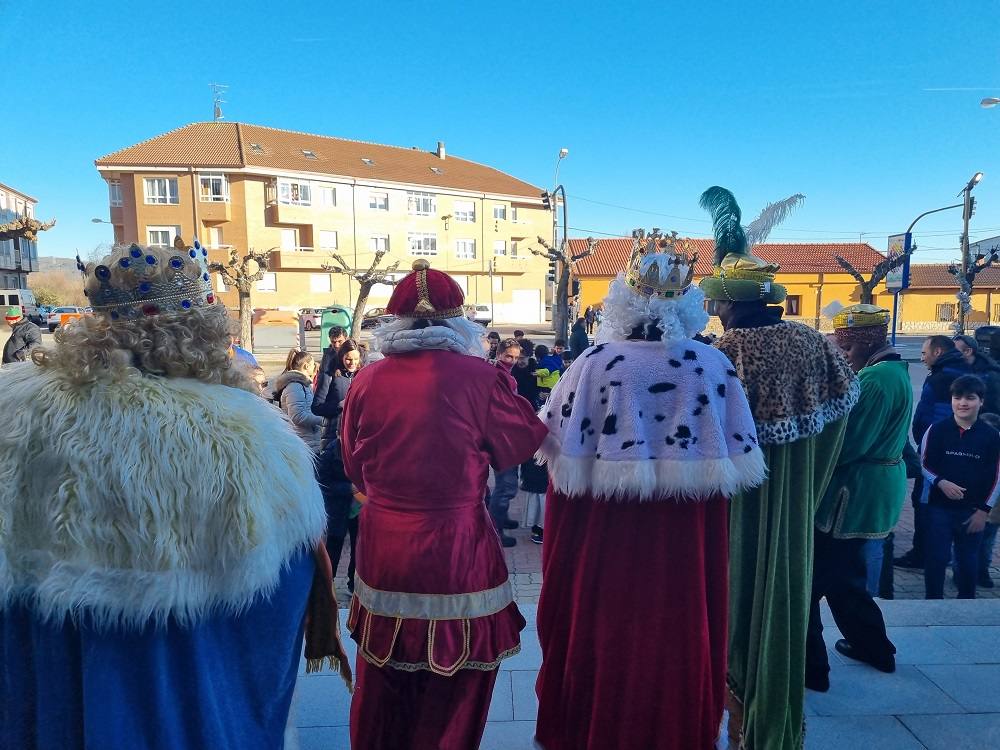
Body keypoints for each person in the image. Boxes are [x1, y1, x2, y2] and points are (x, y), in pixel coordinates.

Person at [0, 241, 348, 750]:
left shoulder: (14, 408)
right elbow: (285, 580)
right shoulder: (241, 434)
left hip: (51, 660)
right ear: (206, 334)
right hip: (180, 674)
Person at [535, 229, 766, 750]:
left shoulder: (592, 364)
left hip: (605, 534)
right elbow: (737, 452)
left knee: (603, 623)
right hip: (685, 534)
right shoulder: (711, 365)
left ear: (620, 302)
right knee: (680, 623)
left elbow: (557, 457)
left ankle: (592, 724)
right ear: (687, 307)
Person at [340, 259, 547, 750]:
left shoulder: (367, 381)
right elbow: (520, 443)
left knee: (384, 674)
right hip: (457, 545)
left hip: (384, 544)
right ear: (460, 325)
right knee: (459, 676)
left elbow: (352, 466)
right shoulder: (481, 377)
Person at [698, 187, 857, 750]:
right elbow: (840, 417)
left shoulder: (722, 354)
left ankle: (738, 714)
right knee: (783, 602)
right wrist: (807, 483)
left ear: (727, 303)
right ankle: (773, 724)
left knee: (734, 601)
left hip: (734, 506)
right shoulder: (818, 346)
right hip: (793, 508)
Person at [805, 305, 912, 691]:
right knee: (846, 579)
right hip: (874, 486)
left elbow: (848, 445)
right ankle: (874, 647)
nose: (844, 358)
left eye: (848, 351)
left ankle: (811, 669)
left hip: (853, 496)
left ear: (867, 342)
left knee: (809, 583)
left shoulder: (874, 382)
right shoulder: (893, 373)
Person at [920, 374, 1000, 599]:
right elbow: (924, 464)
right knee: (935, 558)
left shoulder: (992, 437)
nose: (963, 403)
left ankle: (967, 601)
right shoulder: (936, 430)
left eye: (970, 398)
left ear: (981, 402)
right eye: (957, 397)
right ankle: (932, 600)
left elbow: (997, 477)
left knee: (967, 560)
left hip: (972, 511)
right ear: (951, 400)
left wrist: (984, 511)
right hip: (939, 508)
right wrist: (940, 482)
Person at [895, 335, 971, 569]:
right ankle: (940, 555)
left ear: (937, 352)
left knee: (925, 502)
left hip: (936, 454)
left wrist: (929, 446)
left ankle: (925, 556)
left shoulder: (942, 378)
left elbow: (934, 418)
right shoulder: (960, 371)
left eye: (924, 353)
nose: (922, 358)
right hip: (954, 451)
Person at [312, 338, 364, 578]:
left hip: (360, 438)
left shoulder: (364, 375)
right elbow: (317, 407)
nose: (351, 363)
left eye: (355, 360)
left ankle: (354, 581)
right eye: (347, 359)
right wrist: (340, 405)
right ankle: (328, 581)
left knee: (359, 539)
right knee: (335, 535)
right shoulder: (331, 376)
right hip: (336, 436)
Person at [485, 337, 524, 547]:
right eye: (508, 356)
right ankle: (496, 530)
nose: (512, 360)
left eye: (516, 357)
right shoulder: (500, 377)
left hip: (505, 436)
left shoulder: (503, 374)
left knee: (506, 482)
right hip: (503, 438)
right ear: (499, 354)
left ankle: (503, 517)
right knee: (506, 485)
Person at [274, 349, 324, 451]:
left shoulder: (304, 385)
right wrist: (322, 420)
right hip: (303, 444)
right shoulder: (295, 386)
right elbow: (297, 416)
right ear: (306, 366)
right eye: (313, 364)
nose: (315, 367)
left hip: (310, 441)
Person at [953, 334, 1000, 413]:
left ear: (968, 351)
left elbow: (993, 408)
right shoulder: (956, 370)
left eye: (954, 351)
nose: (949, 355)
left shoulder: (989, 375)